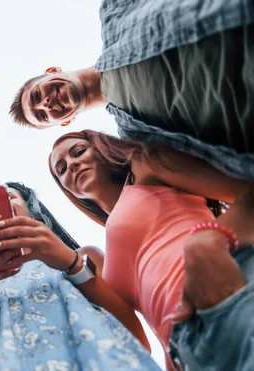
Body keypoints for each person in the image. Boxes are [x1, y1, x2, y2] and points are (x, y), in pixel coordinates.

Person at [48, 129, 254, 369]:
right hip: (187, 351)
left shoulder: (144, 164)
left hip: (226, 287)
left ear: (101, 146)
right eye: (61, 169)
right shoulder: (102, 253)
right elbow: (137, 335)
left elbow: (245, 188)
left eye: (79, 152)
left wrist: (211, 239)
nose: (71, 165)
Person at [9, 0, 254, 180]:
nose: (46, 104)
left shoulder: (114, 14)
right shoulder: (135, 138)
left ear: (52, 71)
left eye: (37, 96)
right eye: (42, 114)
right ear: (65, 122)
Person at [0, 182, 161, 370]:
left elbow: (136, 340)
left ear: (32, 210)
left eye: (9, 198)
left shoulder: (82, 257)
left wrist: (71, 265)